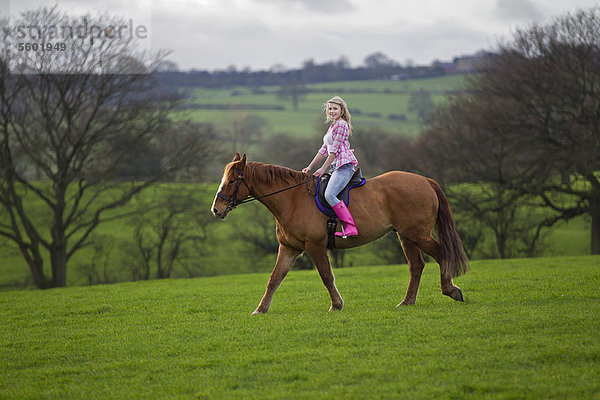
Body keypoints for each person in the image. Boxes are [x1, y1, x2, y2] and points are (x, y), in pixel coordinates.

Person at [302, 96, 359, 238]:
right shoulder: (332, 126)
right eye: (330, 109)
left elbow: (334, 151)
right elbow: (324, 150)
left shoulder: (341, 125)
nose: (332, 111)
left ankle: (350, 227)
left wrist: (322, 169)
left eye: (335, 108)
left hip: (344, 166)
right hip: (335, 167)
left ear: (342, 110)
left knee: (330, 194)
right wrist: (309, 167)